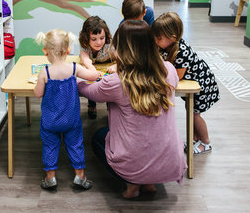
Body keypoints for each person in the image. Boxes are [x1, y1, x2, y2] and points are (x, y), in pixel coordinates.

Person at [77, 20, 186, 199]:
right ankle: (149, 183)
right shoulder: (169, 70)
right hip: (170, 163)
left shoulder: (117, 81)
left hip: (132, 166)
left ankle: (133, 185)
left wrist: (74, 73)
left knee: (97, 137)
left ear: (120, 49)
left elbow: (87, 91)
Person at [33, 29, 100, 190]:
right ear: (68, 50)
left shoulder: (45, 72)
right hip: (71, 119)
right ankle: (80, 176)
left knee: (50, 146)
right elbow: (94, 76)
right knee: (75, 145)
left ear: (45, 52)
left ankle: (50, 178)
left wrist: (39, 81)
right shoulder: (74, 69)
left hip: (50, 121)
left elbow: (38, 94)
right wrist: (89, 64)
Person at [152, 11, 219, 154]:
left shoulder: (182, 51)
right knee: (191, 111)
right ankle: (194, 138)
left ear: (173, 37)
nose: (156, 41)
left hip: (203, 86)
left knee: (195, 115)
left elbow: (176, 76)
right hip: (194, 85)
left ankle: (206, 143)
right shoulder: (167, 46)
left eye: (159, 38)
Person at [78, 16, 116, 119]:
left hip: (107, 67)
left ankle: (111, 106)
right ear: (86, 38)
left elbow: (122, 58)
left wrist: (116, 66)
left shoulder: (110, 44)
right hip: (92, 66)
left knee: (111, 83)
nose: (98, 42)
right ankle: (92, 105)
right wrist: (92, 70)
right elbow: (85, 59)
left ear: (106, 36)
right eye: (93, 39)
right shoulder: (84, 43)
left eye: (102, 38)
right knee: (91, 80)